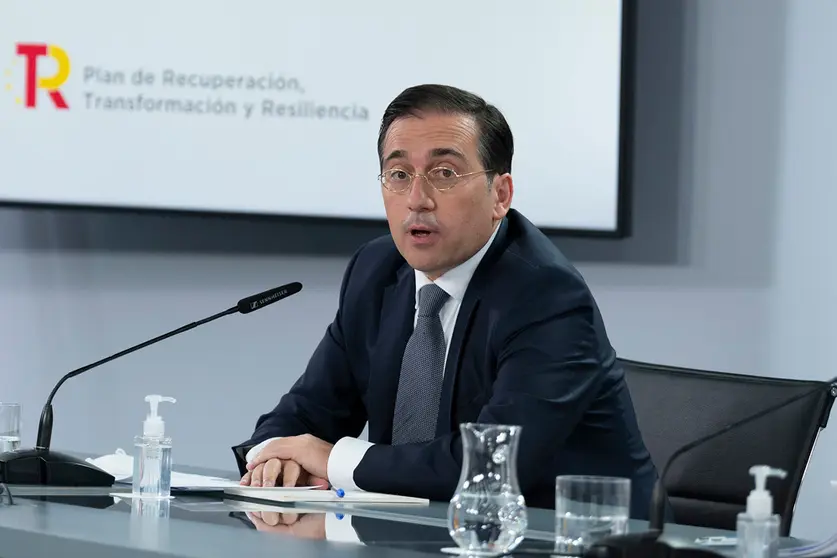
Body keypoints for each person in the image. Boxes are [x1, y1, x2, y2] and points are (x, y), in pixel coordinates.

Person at [233, 83, 663, 519]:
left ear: (501, 195)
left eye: (444, 174)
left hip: (570, 540)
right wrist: (273, 457)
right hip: (419, 536)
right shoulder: (376, 270)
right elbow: (304, 413)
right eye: (399, 175)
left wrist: (330, 460)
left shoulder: (547, 295)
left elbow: (490, 468)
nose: (417, 200)